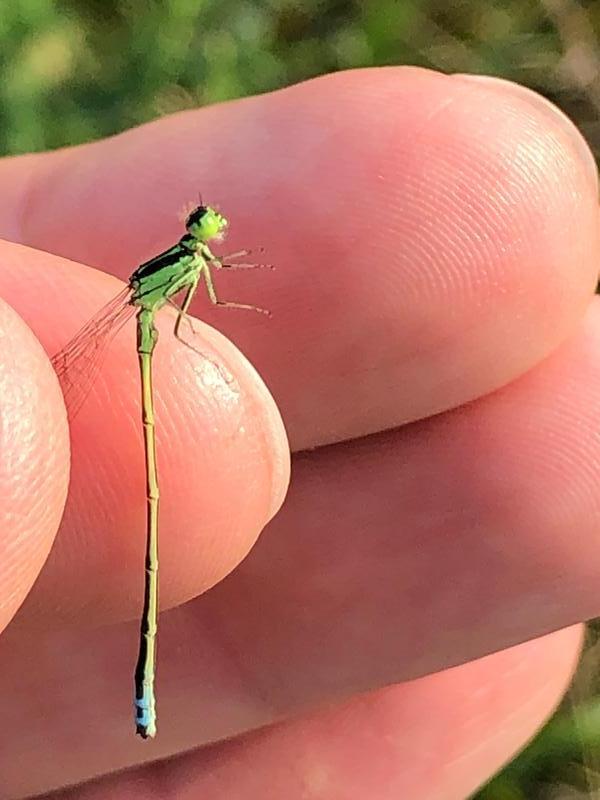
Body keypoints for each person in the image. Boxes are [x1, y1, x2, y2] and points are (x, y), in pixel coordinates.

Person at [0, 66, 598, 799]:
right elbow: (192, 308)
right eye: (203, 232)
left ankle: (145, 684)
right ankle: (145, 681)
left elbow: (201, 294)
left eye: (205, 232)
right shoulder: (183, 269)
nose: (209, 235)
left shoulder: (191, 261)